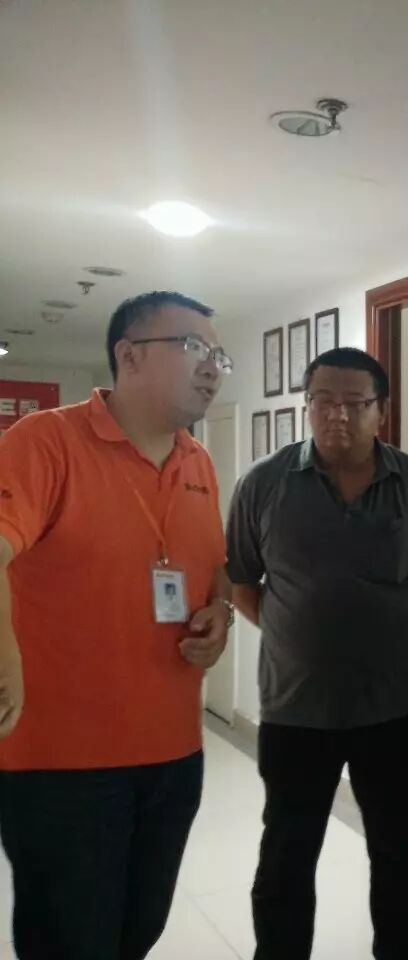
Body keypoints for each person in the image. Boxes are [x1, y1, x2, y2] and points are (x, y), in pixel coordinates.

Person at [0, 291, 233, 958]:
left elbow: (212, 569)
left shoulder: (197, 462)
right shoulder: (45, 441)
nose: (212, 367)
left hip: (172, 755)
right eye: (192, 347)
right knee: (70, 941)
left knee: (138, 931)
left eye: (219, 355)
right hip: (62, 764)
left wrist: (219, 614)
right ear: (128, 357)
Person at [226, 347, 408, 960]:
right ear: (307, 405)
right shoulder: (264, 483)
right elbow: (242, 581)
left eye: (354, 403)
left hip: (396, 705)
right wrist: (298, 633)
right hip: (298, 708)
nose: (337, 415)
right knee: (287, 853)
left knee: (398, 853)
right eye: (323, 401)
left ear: (382, 410)